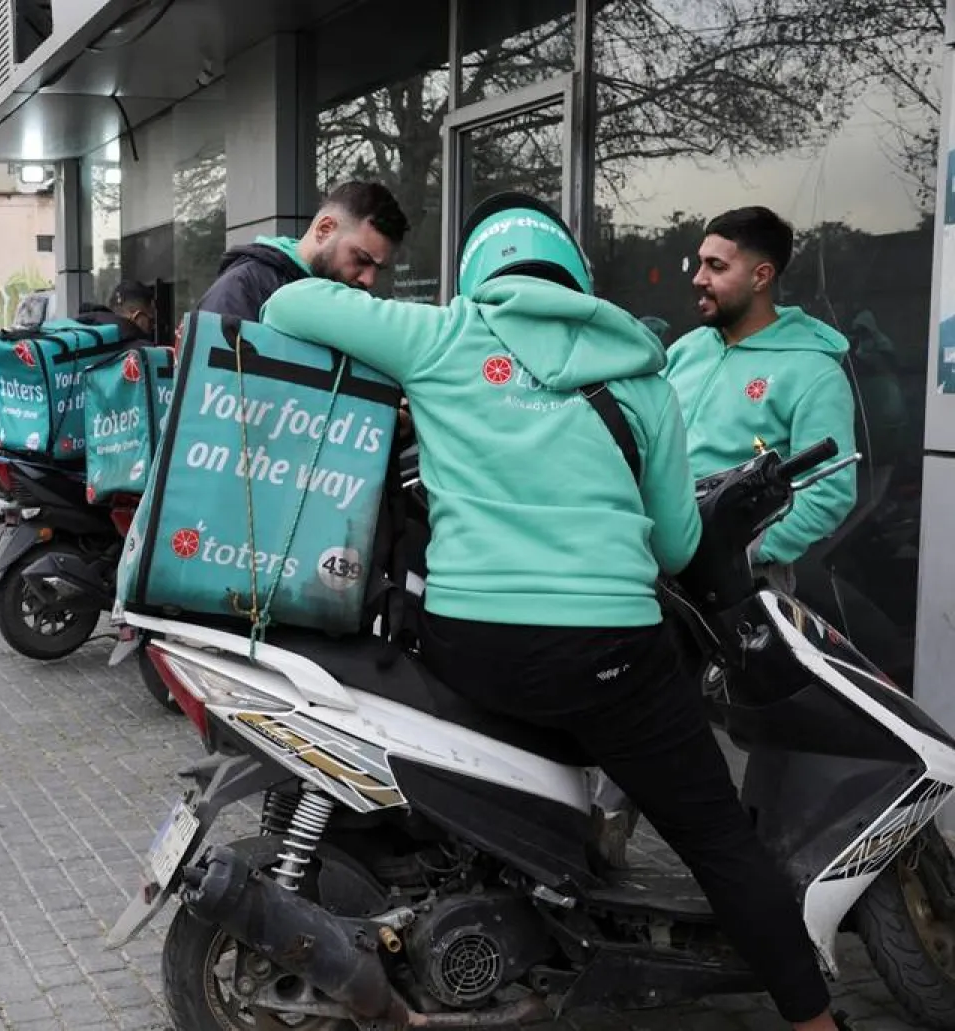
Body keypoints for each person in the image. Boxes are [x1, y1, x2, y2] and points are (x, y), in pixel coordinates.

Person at [259, 193, 841, 1031]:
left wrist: (325, 251)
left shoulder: (442, 335)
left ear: (478, 272)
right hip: (610, 658)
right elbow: (679, 544)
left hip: (474, 652)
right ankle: (814, 1020)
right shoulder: (643, 374)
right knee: (718, 839)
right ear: (575, 271)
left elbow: (287, 303)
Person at [665, 207, 856, 588]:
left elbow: (829, 491)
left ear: (761, 276)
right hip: (656, 564)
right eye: (700, 263)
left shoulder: (813, 372)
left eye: (716, 266)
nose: (699, 278)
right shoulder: (686, 350)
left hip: (740, 581)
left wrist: (746, 549)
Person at [195, 180, 411, 321]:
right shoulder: (242, 288)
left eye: (378, 269)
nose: (369, 280)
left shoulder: (349, 305)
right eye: (362, 259)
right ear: (325, 230)